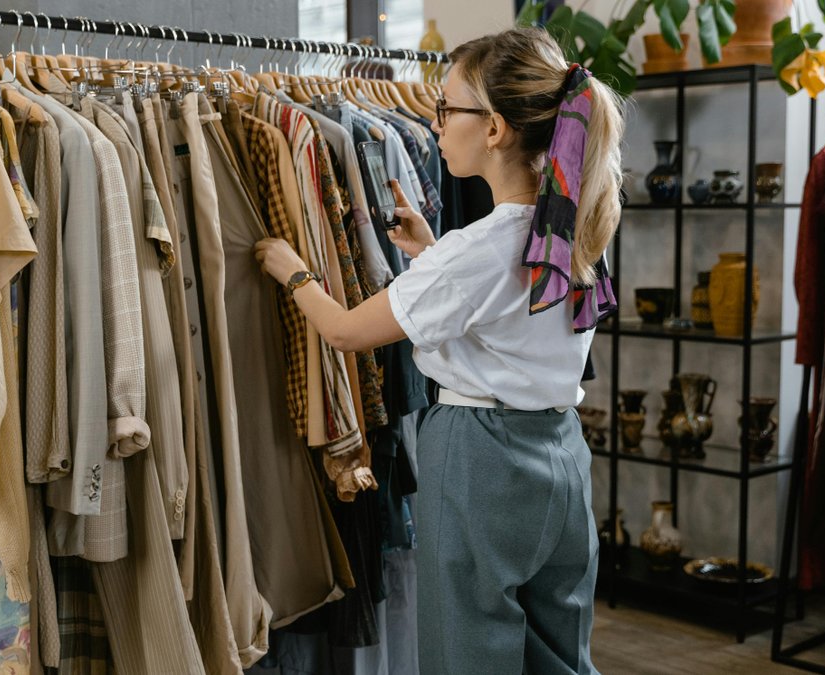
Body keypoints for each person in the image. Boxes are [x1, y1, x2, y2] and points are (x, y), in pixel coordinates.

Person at [254, 26, 623, 675]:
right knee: (559, 650)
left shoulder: (475, 252)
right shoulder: (571, 226)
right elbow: (505, 302)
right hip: (560, 453)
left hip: (481, 455)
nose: (436, 120)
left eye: (449, 107)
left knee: (466, 643)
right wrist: (431, 249)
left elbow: (342, 331)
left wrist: (290, 268)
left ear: (496, 128)